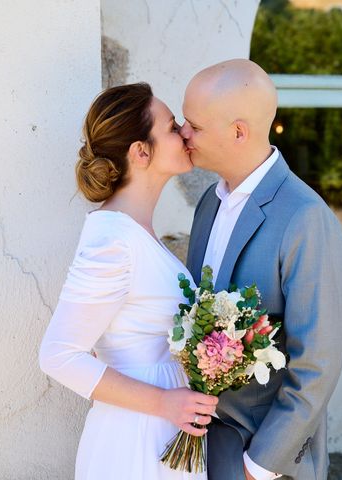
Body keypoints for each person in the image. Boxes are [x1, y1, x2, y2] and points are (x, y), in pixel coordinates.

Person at [39, 82, 217, 479]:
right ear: (141, 151)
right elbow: (58, 355)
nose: (185, 132)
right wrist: (164, 404)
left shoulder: (135, 233)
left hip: (164, 435)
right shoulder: (114, 241)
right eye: (172, 127)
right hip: (135, 443)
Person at [181, 59, 342, 480]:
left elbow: (317, 364)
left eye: (194, 125)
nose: (183, 134)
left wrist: (259, 466)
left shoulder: (305, 217)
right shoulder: (209, 203)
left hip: (260, 458)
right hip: (201, 448)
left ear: (239, 131)